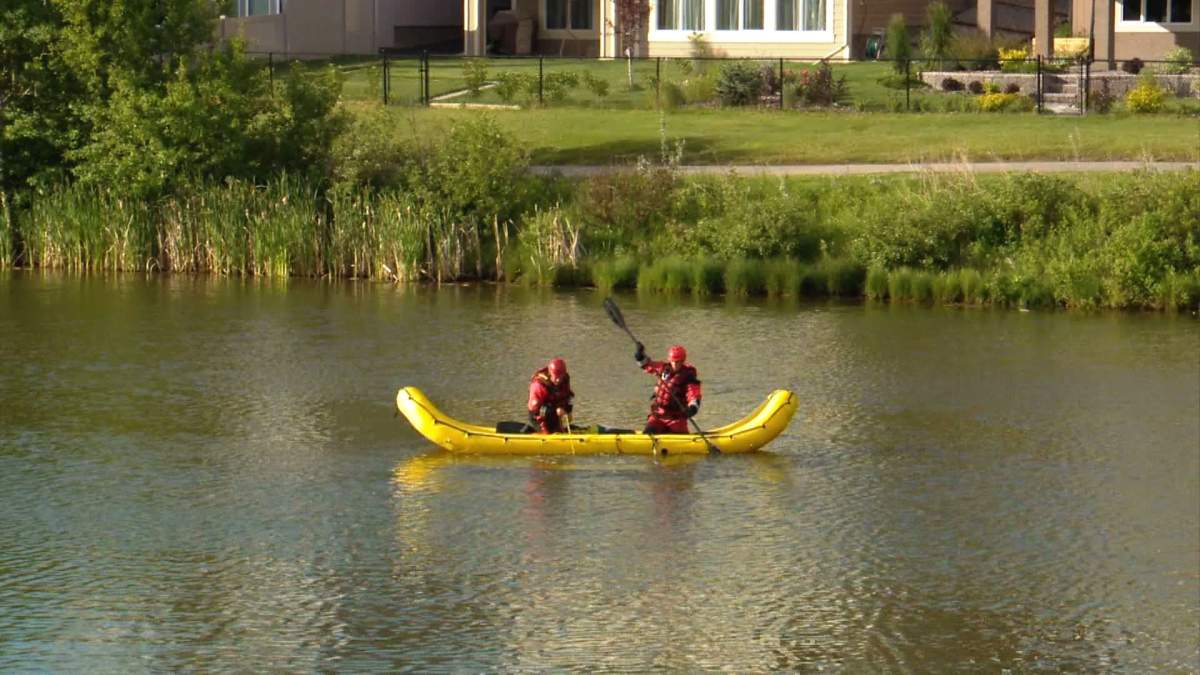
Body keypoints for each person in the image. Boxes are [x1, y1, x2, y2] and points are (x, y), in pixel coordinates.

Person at [635, 342, 701, 434]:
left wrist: (692, 408)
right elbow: (647, 365)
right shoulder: (663, 368)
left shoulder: (688, 376)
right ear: (669, 360)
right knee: (649, 433)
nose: (675, 364)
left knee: (680, 437)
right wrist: (640, 355)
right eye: (673, 361)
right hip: (658, 415)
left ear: (683, 361)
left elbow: (693, 394)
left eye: (678, 362)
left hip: (676, 418)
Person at [527, 357, 574, 434]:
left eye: (561, 376)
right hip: (538, 416)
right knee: (548, 433)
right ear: (550, 373)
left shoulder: (565, 380)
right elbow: (535, 409)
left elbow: (567, 396)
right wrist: (555, 410)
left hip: (554, 413)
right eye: (556, 376)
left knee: (560, 430)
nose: (558, 380)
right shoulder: (539, 385)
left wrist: (567, 410)